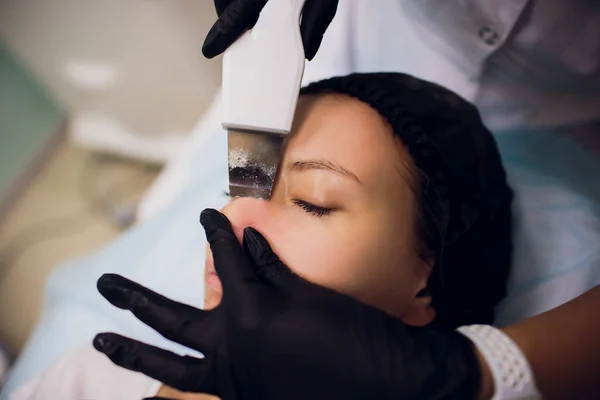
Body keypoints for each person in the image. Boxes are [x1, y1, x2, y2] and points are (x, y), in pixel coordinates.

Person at [12, 72, 512, 399]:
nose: (230, 220)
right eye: (241, 183)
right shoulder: (88, 381)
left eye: (313, 199)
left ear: (425, 284)